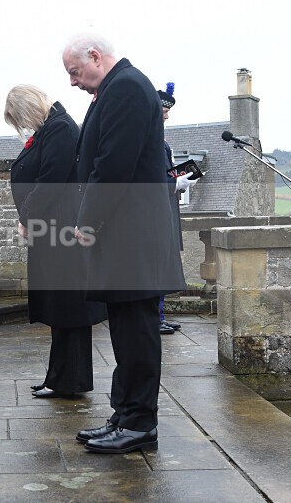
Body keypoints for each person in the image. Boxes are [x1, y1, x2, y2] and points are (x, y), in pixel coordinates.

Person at [61, 34, 186, 453]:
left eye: (75, 72)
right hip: (126, 234)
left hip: (132, 235)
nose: (73, 82)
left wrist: (88, 221)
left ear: (95, 57)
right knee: (125, 330)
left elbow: (113, 165)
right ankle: (124, 414)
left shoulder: (128, 87)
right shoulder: (117, 87)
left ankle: (139, 423)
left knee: (136, 332)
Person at [4, 85, 107, 399]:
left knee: (69, 308)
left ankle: (69, 381)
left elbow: (50, 179)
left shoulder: (60, 128)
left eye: (22, 119)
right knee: (62, 309)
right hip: (52, 229)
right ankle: (60, 377)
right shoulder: (52, 127)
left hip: (59, 230)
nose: (24, 127)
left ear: (29, 107)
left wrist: (27, 217)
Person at [157, 83, 199, 334]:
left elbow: (164, 173)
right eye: (164, 111)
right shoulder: (150, 141)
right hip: (157, 212)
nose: (167, 117)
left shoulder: (162, 143)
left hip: (167, 208)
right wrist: (174, 183)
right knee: (157, 267)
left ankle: (160, 315)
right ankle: (155, 317)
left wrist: (180, 177)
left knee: (163, 266)